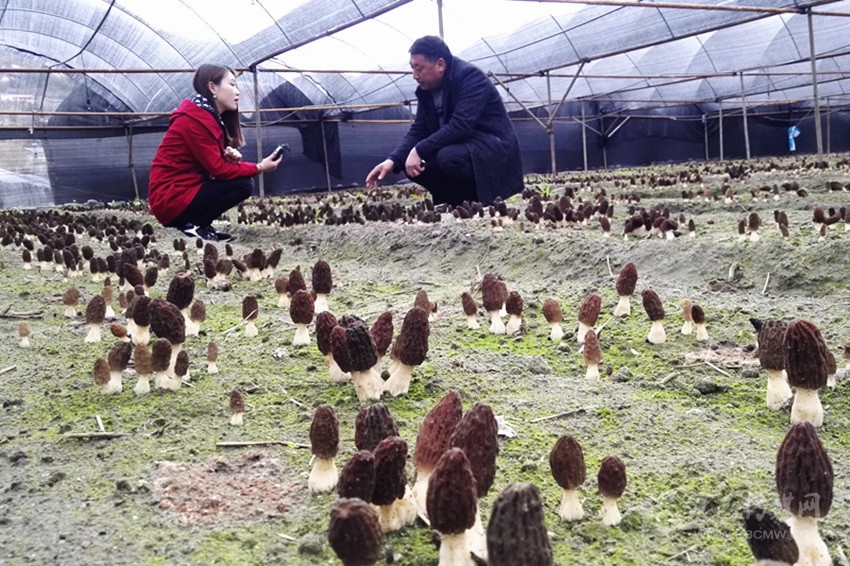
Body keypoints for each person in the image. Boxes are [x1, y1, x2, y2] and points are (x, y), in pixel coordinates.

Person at [366, 36, 523, 206]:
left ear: (440, 65)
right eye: (412, 69)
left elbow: (461, 125)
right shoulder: (426, 91)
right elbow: (418, 130)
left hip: (493, 147)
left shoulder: (470, 78)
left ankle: (478, 202)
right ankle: (452, 202)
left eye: (419, 69)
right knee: (408, 163)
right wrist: (392, 160)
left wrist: (419, 149)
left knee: (448, 157)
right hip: (461, 146)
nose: (414, 76)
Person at [148, 64, 283, 242]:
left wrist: (229, 158)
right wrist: (259, 167)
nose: (237, 92)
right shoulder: (193, 120)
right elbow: (218, 170)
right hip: (171, 198)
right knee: (243, 184)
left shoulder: (206, 117)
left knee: (241, 182)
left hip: (182, 194)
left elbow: (213, 165)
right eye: (232, 84)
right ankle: (192, 226)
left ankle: (199, 225)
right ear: (212, 87)